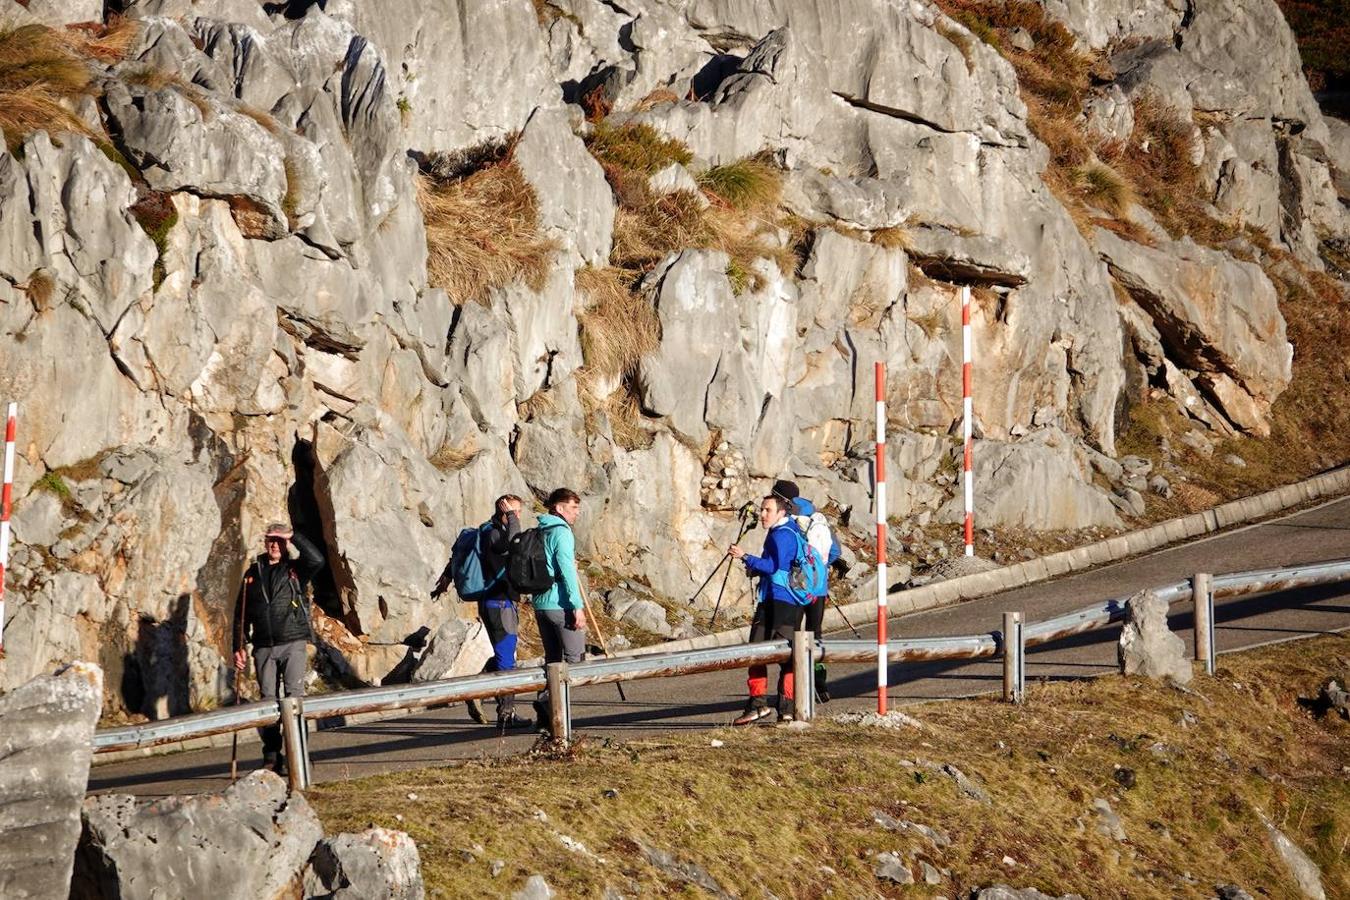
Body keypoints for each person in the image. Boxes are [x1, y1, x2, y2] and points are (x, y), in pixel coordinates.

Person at [233, 522, 325, 773]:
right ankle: (272, 756)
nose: (274, 544)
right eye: (271, 540)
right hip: (263, 646)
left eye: (279, 540)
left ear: (286, 544)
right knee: (268, 703)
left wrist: (293, 535)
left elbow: (317, 559)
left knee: (294, 698)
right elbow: (240, 614)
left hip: (293, 641)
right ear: (265, 543)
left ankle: (300, 754)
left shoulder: (295, 569)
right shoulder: (253, 573)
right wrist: (238, 646)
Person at [729, 494, 806, 724]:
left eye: (767, 510)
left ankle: (762, 705)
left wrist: (746, 557)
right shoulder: (788, 531)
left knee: (762, 654)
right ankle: (786, 709)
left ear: (781, 512)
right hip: (784, 601)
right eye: (762, 510)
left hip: (778, 602)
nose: (762, 515)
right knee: (782, 657)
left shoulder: (781, 535)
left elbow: (773, 567)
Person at [473, 494, 533, 730]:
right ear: (504, 511)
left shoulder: (486, 531)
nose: (518, 516)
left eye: (518, 512)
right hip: (499, 603)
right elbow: (513, 541)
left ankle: (476, 689)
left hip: (493, 601)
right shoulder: (495, 533)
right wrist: (509, 516)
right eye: (515, 511)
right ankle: (506, 714)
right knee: (507, 660)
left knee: (502, 656)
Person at [531, 487, 587, 733]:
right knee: (575, 660)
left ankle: (548, 719)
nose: (576, 513)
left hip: (541, 604)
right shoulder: (562, 533)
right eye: (573, 508)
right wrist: (577, 607)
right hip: (560, 603)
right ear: (559, 508)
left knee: (553, 661)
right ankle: (550, 708)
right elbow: (565, 572)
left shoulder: (540, 530)